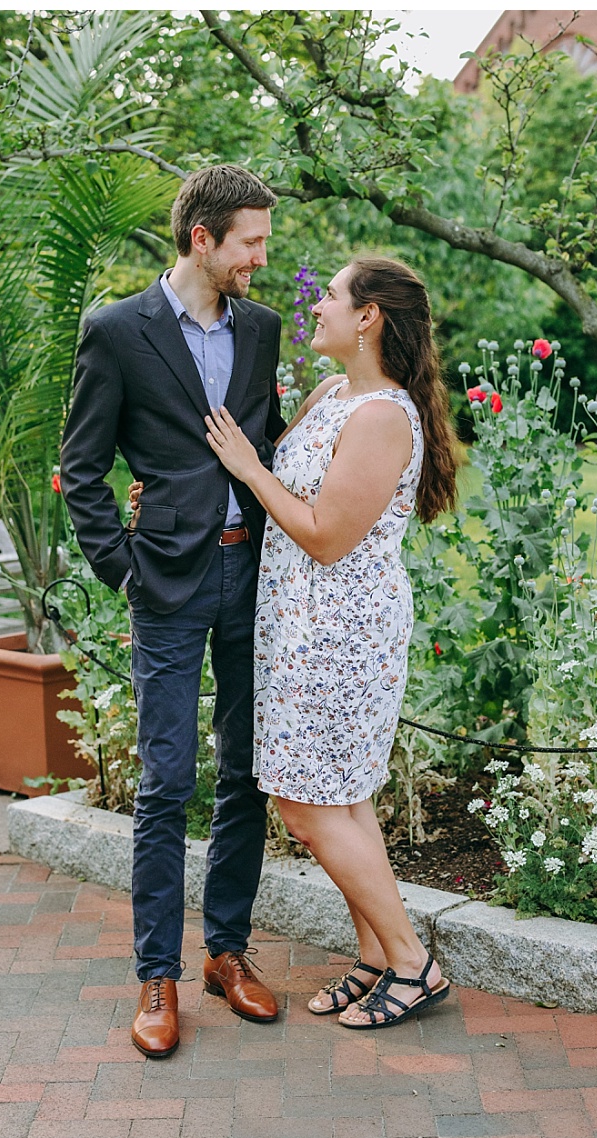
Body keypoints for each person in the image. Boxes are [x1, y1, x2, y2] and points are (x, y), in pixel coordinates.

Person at [173, 255, 462, 1029]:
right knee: (344, 800)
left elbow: (326, 534)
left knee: (306, 807)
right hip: (299, 629)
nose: (319, 306)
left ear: (369, 317)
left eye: (332, 296)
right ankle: (376, 958)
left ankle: (413, 964)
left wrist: (244, 464)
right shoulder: (335, 393)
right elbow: (285, 482)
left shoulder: (381, 417)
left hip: (342, 633)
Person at [61, 164, 286, 1058]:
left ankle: (225, 955)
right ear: (203, 239)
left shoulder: (262, 330)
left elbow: (265, 444)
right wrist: (127, 571)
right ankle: (157, 974)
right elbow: (83, 471)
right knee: (165, 783)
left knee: (247, 773)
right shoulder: (116, 331)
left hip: (254, 578)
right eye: (251, 243)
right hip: (167, 585)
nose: (262, 260)